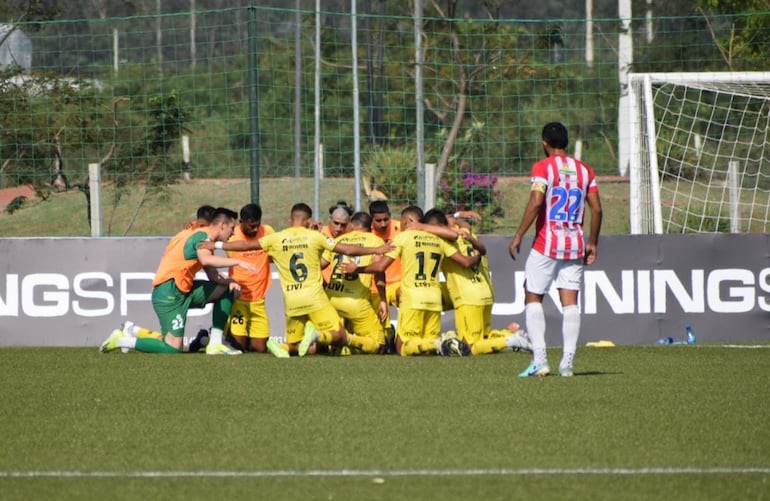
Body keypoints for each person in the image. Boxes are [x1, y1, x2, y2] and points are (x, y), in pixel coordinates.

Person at [199, 202, 393, 357]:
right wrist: (377, 250)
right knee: (340, 335)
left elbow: (246, 245)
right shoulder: (315, 236)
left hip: (292, 301)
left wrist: (215, 244)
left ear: (290, 219)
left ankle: (282, 347)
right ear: (308, 221)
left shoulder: (276, 238)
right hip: (315, 298)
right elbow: (348, 250)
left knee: (293, 345)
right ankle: (318, 335)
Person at [508, 122, 603, 377]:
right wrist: (592, 241)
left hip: (546, 243)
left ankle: (540, 360)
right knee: (570, 303)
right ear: (567, 142)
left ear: (544, 143)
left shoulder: (543, 167)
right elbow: (597, 209)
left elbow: (537, 201)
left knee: (533, 296)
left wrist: (518, 234)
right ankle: (567, 363)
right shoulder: (585, 170)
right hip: (574, 245)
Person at [100, 207, 256, 355]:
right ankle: (121, 340)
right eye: (231, 228)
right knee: (173, 348)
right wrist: (238, 262)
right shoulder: (202, 236)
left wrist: (230, 281)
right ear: (222, 226)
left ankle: (215, 344)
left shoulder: (199, 236)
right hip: (169, 292)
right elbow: (206, 259)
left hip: (183, 290)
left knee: (227, 288)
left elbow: (213, 275)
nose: (233, 233)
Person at [349, 206, 481, 357]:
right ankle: (442, 342)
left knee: (402, 348)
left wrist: (357, 269)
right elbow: (462, 256)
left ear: (407, 221)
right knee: (426, 351)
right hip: (434, 298)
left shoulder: (403, 237)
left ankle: (438, 343)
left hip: (413, 298)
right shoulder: (439, 239)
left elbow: (380, 266)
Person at [421, 208, 531, 355]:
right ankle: (508, 334)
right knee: (485, 336)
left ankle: (510, 341)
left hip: (467, 298)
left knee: (471, 347)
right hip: (484, 291)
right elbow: (482, 249)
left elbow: (466, 263)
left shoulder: (443, 241)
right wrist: (458, 216)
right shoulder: (465, 234)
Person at [221, 203, 285, 356]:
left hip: (259, 301)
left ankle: (224, 333)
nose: (255, 229)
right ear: (241, 221)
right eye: (251, 226)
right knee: (238, 347)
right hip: (239, 300)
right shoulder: (232, 235)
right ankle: (220, 333)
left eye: (257, 225)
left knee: (260, 349)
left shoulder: (267, 231)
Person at [322, 211, 388, 354]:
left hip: (331, 298)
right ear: (370, 226)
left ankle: (327, 340)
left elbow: (320, 265)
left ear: (352, 225)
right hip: (355, 302)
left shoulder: (338, 240)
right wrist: (383, 299)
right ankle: (348, 339)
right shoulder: (375, 241)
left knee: (337, 344)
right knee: (380, 344)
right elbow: (378, 271)